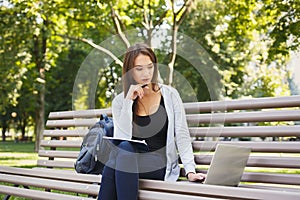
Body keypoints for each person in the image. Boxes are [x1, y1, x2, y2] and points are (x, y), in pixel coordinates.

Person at [98, 43, 206, 200]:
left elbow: (182, 134)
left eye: (150, 67)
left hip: (158, 163)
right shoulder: (120, 101)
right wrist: (129, 101)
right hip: (127, 160)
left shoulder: (170, 95)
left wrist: (190, 171)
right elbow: (121, 139)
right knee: (123, 151)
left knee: (114, 162)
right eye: (139, 69)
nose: (146, 73)